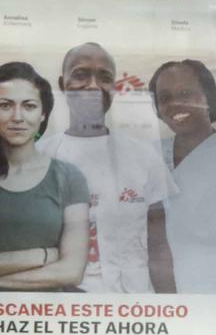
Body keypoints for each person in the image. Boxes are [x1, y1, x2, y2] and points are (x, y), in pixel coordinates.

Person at [48, 43, 175, 294]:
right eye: (81, 74)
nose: (93, 86)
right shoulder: (42, 157)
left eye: (104, 78)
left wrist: (170, 307)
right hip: (65, 309)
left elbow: (159, 247)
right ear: (62, 85)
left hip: (135, 307)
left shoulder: (144, 156)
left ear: (115, 89)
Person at [0, 62, 89, 292]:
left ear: (43, 114)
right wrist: (40, 255)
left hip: (47, 319)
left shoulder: (68, 177)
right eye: (5, 105)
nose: (17, 117)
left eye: (29, 106)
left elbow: (72, 271)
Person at [151, 59, 216, 295]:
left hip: (213, 290)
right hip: (152, 293)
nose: (175, 103)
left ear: (208, 97)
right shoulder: (148, 154)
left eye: (186, 93)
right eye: (165, 98)